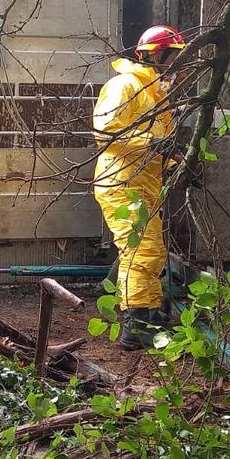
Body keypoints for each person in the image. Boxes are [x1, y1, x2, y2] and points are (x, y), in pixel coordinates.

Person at [93, 25, 185, 350]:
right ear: (157, 56)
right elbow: (107, 133)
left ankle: (146, 313)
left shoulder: (158, 96)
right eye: (173, 59)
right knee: (141, 252)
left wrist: (179, 166)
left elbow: (164, 147)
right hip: (121, 184)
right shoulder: (124, 86)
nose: (177, 67)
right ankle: (136, 325)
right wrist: (154, 142)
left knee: (151, 252)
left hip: (145, 186)